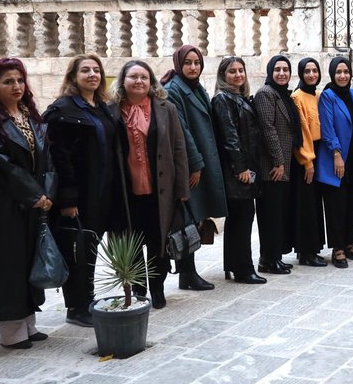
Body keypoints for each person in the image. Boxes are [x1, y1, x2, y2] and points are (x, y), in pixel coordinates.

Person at [0, 58, 55, 347]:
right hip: (6, 206)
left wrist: (47, 193)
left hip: (35, 202)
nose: (16, 86)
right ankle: (11, 331)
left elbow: (47, 158)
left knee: (30, 260)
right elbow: (1, 164)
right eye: (8, 81)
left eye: (19, 80)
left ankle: (29, 323)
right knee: (9, 265)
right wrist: (34, 195)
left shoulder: (30, 115)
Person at [43, 54, 124, 327]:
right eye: (85, 70)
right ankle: (76, 307)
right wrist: (68, 198)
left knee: (91, 248)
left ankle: (88, 299)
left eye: (96, 70)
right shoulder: (62, 110)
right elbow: (59, 157)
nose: (92, 75)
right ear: (73, 77)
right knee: (77, 250)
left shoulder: (103, 107)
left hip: (103, 192)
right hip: (79, 195)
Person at [113, 59, 190, 309]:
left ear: (151, 82)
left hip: (161, 190)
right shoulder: (111, 110)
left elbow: (179, 148)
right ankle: (138, 289)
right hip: (127, 191)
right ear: (123, 82)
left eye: (144, 77)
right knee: (132, 241)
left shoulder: (166, 108)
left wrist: (182, 189)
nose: (139, 81)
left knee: (158, 243)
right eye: (133, 77)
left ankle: (157, 288)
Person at [162, 44, 222, 291]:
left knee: (194, 218)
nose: (193, 67)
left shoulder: (195, 88)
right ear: (178, 64)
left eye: (196, 62)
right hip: (188, 165)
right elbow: (182, 131)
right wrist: (195, 164)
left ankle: (189, 272)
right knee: (185, 219)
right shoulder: (173, 89)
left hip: (201, 160)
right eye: (188, 63)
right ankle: (183, 272)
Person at [210, 56, 265, 284]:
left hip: (246, 167)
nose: (238, 75)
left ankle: (234, 265)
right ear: (224, 75)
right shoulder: (223, 99)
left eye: (241, 70)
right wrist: (240, 167)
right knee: (242, 220)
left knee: (239, 220)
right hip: (237, 171)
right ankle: (243, 268)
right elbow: (230, 136)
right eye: (232, 71)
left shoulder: (238, 98)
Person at [254, 55, 302, 272]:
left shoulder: (283, 95)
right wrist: (279, 161)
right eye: (278, 69)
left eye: (285, 69)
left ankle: (274, 256)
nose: (282, 73)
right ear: (270, 72)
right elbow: (267, 129)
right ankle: (267, 260)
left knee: (278, 214)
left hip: (283, 165)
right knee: (270, 215)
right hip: (272, 167)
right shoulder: (266, 93)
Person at [317, 57, 353, 268]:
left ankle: (349, 243)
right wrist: (336, 154)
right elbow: (327, 128)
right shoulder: (328, 96)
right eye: (338, 72)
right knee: (336, 205)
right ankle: (337, 248)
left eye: (346, 71)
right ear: (333, 74)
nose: (343, 76)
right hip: (336, 159)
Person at [291, 57, 327, 268]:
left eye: (315, 71)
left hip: (318, 154)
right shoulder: (297, 97)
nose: (312, 75)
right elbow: (302, 131)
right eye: (307, 71)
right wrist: (307, 162)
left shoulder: (318, 95)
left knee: (314, 205)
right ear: (301, 74)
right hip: (306, 158)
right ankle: (306, 252)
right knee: (306, 206)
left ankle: (313, 248)